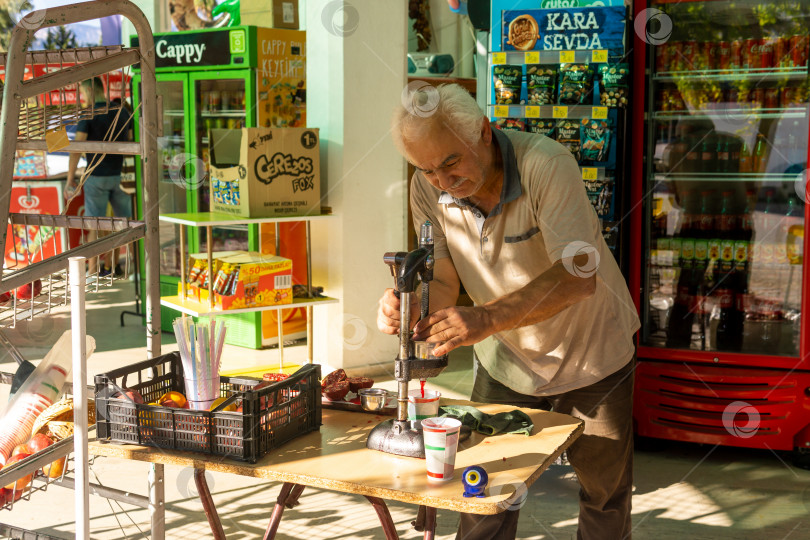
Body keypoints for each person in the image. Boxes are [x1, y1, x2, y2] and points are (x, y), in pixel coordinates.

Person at [377, 84, 640, 540]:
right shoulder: (427, 187)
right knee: (482, 490)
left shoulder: (547, 165)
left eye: (450, 162)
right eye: (427, 169)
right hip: (507, 360)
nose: (441, 181)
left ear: (482, 131)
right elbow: (442, 282)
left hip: (593, 354)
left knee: (603, 494)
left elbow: (579, 275)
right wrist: (407, 308)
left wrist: (486, 319)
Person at [66, 76, 133, 276]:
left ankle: (94, 271)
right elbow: (129, 140)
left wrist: (71, 178)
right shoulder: (121, 111)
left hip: (96, 176)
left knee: (94, 224)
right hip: (119, 176)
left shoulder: (89, 113)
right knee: (121, 225)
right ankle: (114, 266)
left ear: (88, 91)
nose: (82, 97)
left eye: (82, 92)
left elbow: (77, 147)